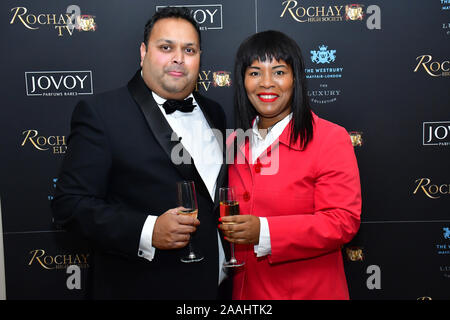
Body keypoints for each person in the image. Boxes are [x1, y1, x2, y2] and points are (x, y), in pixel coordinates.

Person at [52, 7, 230, 299]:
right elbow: (69, 207)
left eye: (189, 49)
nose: (178, 58)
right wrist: (148, 230)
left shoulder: (214, 112)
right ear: (143, 52)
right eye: (165, 47)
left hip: (216, 287)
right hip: (143, 286)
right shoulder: (102, 114)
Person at [219, 30, 361, 300]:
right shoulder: (233, 143)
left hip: (308, 292)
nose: (267, 83)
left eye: (279, 72)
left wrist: (265, 231)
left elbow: (343, 221)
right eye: (254, 73)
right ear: (242, 81)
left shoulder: (329, 138)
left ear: (295, 79)